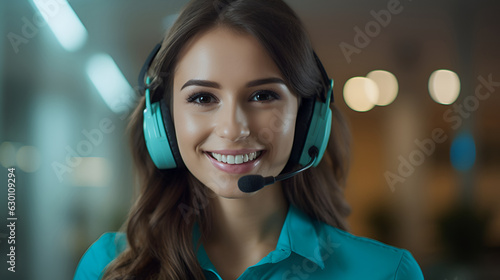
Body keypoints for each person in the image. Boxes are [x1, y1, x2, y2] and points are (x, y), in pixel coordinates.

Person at [74, 0, 424, 279]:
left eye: (262, 96)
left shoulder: (386, 272)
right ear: (164, 120)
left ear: (308, 118)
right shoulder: (110, 267)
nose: (233, 129)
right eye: (202, 98)